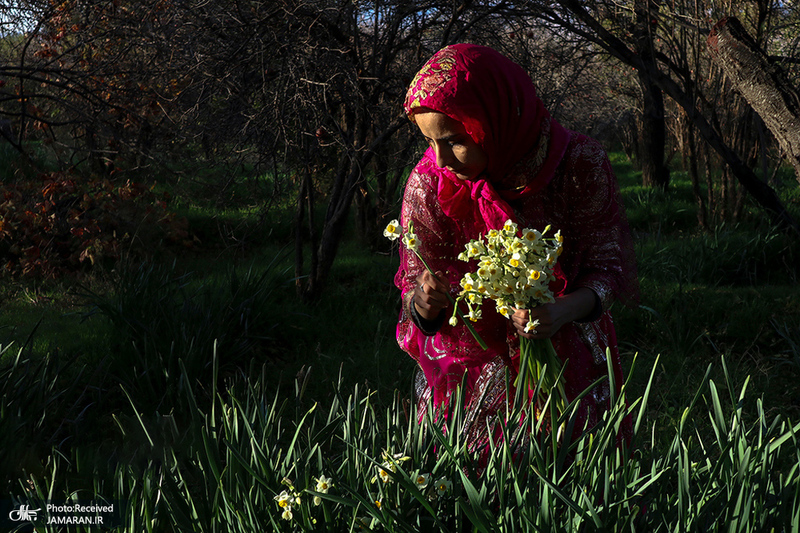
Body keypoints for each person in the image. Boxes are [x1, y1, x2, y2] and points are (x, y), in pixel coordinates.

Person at [393, 44, 639, 451]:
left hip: (566, 355)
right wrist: (424, 300)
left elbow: (607, 266)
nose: (439, 158)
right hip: (471, 369)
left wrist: (562, 310)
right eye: (429, 141)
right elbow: (415, 282)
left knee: (572, 480)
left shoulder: (577, 163)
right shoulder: (430, 181)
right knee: (475, 491)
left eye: (454, 140)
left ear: (494, 119)